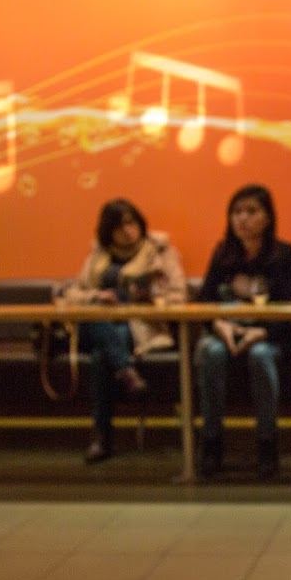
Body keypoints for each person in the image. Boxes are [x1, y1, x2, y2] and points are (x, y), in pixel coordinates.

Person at [194, 184, 291, 479]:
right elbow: (204, 301)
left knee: (261, 356)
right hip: (226, 333)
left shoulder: (284, 255)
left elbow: (290, 309)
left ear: (268, 217)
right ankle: (211, 442)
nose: (243, 218)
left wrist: (260, 332)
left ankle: (267, 443)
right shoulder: (223, 253)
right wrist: (220, 325)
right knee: (211, 352)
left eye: (251, 211)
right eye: (237, 212)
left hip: (269, 336)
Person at [69, 198, 186, 464]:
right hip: (94, 324)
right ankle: (127, 371)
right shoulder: (98, 254)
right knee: (100, 322)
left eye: (131, 223)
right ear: (108, 231)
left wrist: (149, 299)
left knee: (101, 357)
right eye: (119, 227)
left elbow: (179, 295)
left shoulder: (160, 252)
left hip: (138, 326)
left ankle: (102, 436)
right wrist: (97, 296)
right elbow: (74, 293)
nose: (128, 231)